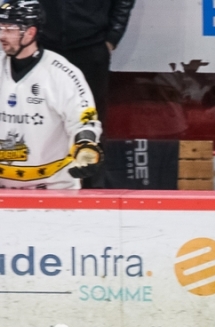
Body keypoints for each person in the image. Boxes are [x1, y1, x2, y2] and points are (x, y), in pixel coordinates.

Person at [0, 0, 103, 190]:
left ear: (30, 33)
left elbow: (84, 120)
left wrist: (85, 145)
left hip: (52, 188)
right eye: (0, 28)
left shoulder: (62, 73)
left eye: (9, 29)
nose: (2, 35)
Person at [39, 0, 135, 127]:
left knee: (90, 119)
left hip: (91, 45)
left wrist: (113, 36)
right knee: (42, 116)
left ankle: (89, 147)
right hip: (44, 45)